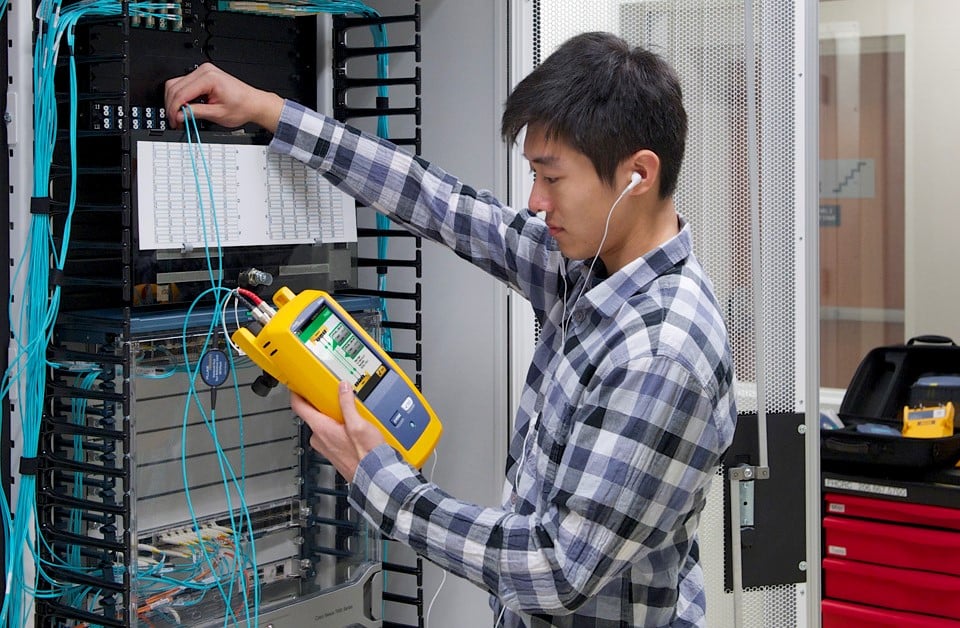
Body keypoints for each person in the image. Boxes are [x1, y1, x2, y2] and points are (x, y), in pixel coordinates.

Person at [165, 31, 736, 627]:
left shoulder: (660, 355)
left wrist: (378, 479)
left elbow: (555, 568)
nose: (536, 202)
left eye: (553, 177)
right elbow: (441, 203)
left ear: (636, 175)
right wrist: (269, 111)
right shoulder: (588, 267)